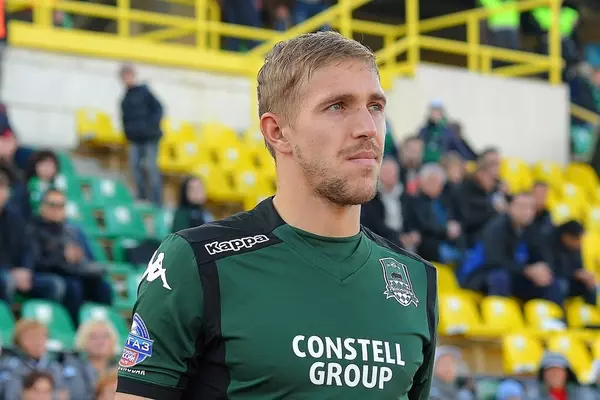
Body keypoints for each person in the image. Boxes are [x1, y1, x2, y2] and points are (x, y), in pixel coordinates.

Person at [116, 31, 438, 399]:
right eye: (337, 106)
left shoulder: (415, 279)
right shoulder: (197, 262)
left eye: (375, 106)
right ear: (278, 132)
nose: (368, 128)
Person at [458, 193, 560, 304]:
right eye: (522, 206)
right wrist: (526, 270)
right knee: (500, 278)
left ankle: (552, 314)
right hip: (480, 274)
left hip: (514, 273)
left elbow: (541, 255)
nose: (526, 211)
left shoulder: (532, 230)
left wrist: (542, 268)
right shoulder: (496, 228)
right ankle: (498, 312)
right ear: (510, 207)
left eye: (531, 208)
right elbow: (495, 261)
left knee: (550, 282)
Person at [30, 189, 113, 323]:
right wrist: (62, 257)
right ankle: (74, 327)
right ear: (42, 206)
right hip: (50, 273)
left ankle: (104, 325)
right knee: (73, 287)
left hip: (75, 272)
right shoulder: (33, 229)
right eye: (52, 205)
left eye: (61, 205)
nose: (56, 210)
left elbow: (89, 260)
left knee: (103, 287)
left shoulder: (73, 231)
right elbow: (35, 262)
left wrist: (79, 258)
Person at [119, 64, 164, 206]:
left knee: (151, 168)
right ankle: (142, 197)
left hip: (150, 138)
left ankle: (157, 201)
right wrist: (129, 133)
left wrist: (151, 126)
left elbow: (159, 109)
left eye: (128, 75)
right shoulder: (125, 99)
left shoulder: (144, 92)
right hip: (135, 139)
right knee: (135, 168)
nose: (126, 78)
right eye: (124, 76)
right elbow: (125, 120)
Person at [404, 163, 465, 264]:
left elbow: (458, 217)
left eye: (439, 182)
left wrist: (455, 226)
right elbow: (425, 225)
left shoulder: (446, 199)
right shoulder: (415, 201)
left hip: (451, 240)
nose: (436, 185)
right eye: (431, 181)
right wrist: (446, 229)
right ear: (422, 182)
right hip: (430, 244)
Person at [360, 157, 420, 251]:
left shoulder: (404, 195)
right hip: (383, 239)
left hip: (404, 236)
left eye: (392, 173)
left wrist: (412, 233)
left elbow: (411, 217)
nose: (390, 176)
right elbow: (375, 224)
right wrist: (399, 237)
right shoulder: (372, 196)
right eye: (386, 172)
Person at [0, 320, 68, 400]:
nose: (37, 342)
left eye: (42, 337)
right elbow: (10, 395)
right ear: (19, 342)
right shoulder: (10, 366)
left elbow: (63, 394)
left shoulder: (54, 366)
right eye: (31, 338)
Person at [62, 319, 119, 400]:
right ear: (83, 340)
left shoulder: (120, 370)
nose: (100, 342)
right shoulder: (74, 366)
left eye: (106, 336)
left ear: (113, 340)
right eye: (93, 337)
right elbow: (75, 395)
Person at [549, 220, 597, 306]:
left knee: (590, 283)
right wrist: (574, 274)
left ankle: (590, 310)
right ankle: (559, 311)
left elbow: (579, 267)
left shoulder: (576, 248)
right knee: (561, 285)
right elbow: (551, 270)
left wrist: (584, 275)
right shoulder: (550, 245)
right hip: (555, 281)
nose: (579, 243)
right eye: (577, 239)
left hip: (571, 280)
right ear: (566, 237)